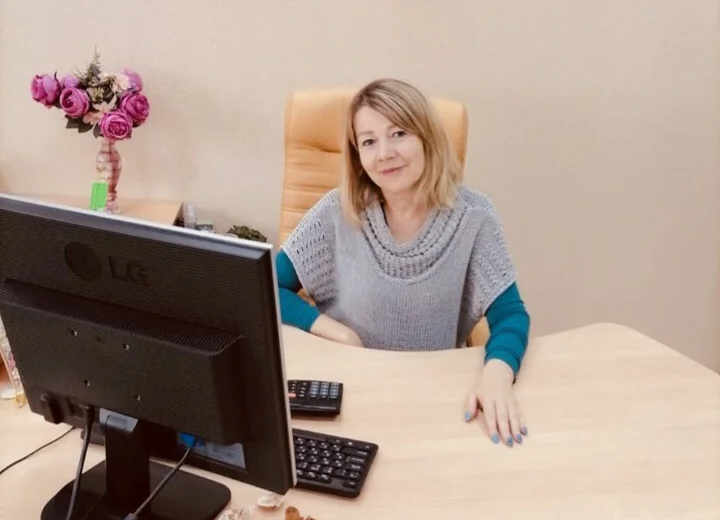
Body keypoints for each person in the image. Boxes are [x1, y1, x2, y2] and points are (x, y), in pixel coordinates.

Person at [276, 78, 531, 447]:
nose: (384, 153)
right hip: (348, 394)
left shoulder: (474, 217)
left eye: (398, 134)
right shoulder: (335, 212)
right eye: (369, 141)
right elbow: (264, 286)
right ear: (358, 156)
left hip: (430, 399)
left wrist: (497, 375)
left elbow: (510, 315)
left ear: (426, 136)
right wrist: (336, 332)